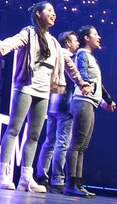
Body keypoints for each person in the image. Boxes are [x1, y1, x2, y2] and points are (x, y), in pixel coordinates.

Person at [0, 2, 90, 193]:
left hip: (44, 91)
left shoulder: (53, 43)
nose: (53, 14)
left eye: (54, 11)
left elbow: (69, 65)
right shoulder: (29, 33)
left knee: (34, 135)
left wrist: (81, 82)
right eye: (49, 10)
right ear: (38, 14)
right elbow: (11, 42)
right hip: (26, 86)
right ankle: (3, 174)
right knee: (14, 129)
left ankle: (26, 177)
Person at [65, 24, 116, 198]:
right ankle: (70, 183)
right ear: (86, 38)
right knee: (77, 144)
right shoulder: (81, 54)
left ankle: (78, 182)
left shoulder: (91, 57)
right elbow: (82, 73)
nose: (99, 37)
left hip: (91, 102)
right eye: (95, 34)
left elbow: (98, 84)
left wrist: (107, 101)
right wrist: (85, 83)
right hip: (83, 101)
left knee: (83, 146)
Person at [37, 30, 82, 193]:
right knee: (62, 143)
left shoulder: (53, 53)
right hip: (65, 104)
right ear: (67, 43)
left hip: (52, 103)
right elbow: (74, 78)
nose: (77, 43)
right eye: (75, 40)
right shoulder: (69, 57)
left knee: (49, 142)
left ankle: (41, 175)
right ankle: (57, 179)